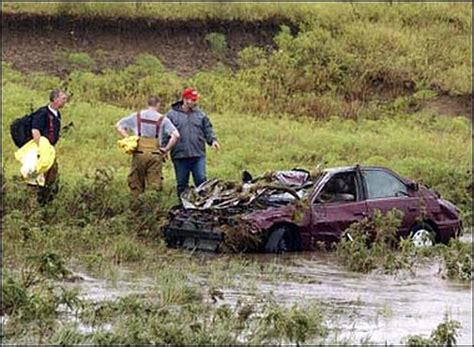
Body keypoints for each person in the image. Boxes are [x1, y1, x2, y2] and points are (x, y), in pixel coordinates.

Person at [116, 95, 180, 198]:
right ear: (158, 104)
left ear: (148, 103)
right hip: (155, 154)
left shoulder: (136, 116)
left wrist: (129, 139)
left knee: (136, 182)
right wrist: (165, 149)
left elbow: (119, 126)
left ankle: (137, 208)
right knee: (154, 184)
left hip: (138, 153)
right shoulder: (163, 119)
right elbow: (176, 135)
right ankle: (152, 207)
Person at [164, 87, 220, 198]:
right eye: (192, 100)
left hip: (198, 154)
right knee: (182, 184)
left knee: (201, 181)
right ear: (185, 99)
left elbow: (207, 129)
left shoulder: (200, 115)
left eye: (196, 100)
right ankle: (183, 207)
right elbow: (165, 132)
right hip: (180, 155)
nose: (195, 102)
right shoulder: (171, 115)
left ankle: (202, 205)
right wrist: (163, 148)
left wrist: (213, 140)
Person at [31, 89, 68, 204]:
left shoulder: (57, 114)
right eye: (63, 98)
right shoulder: (42, 113)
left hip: (50, 149)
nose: (65, 101)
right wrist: (40, 150)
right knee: (38, 179)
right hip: (42, 150)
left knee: (52, 177)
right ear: (55, 99)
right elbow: (35, 130)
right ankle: (36, 205)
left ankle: (47, 203)